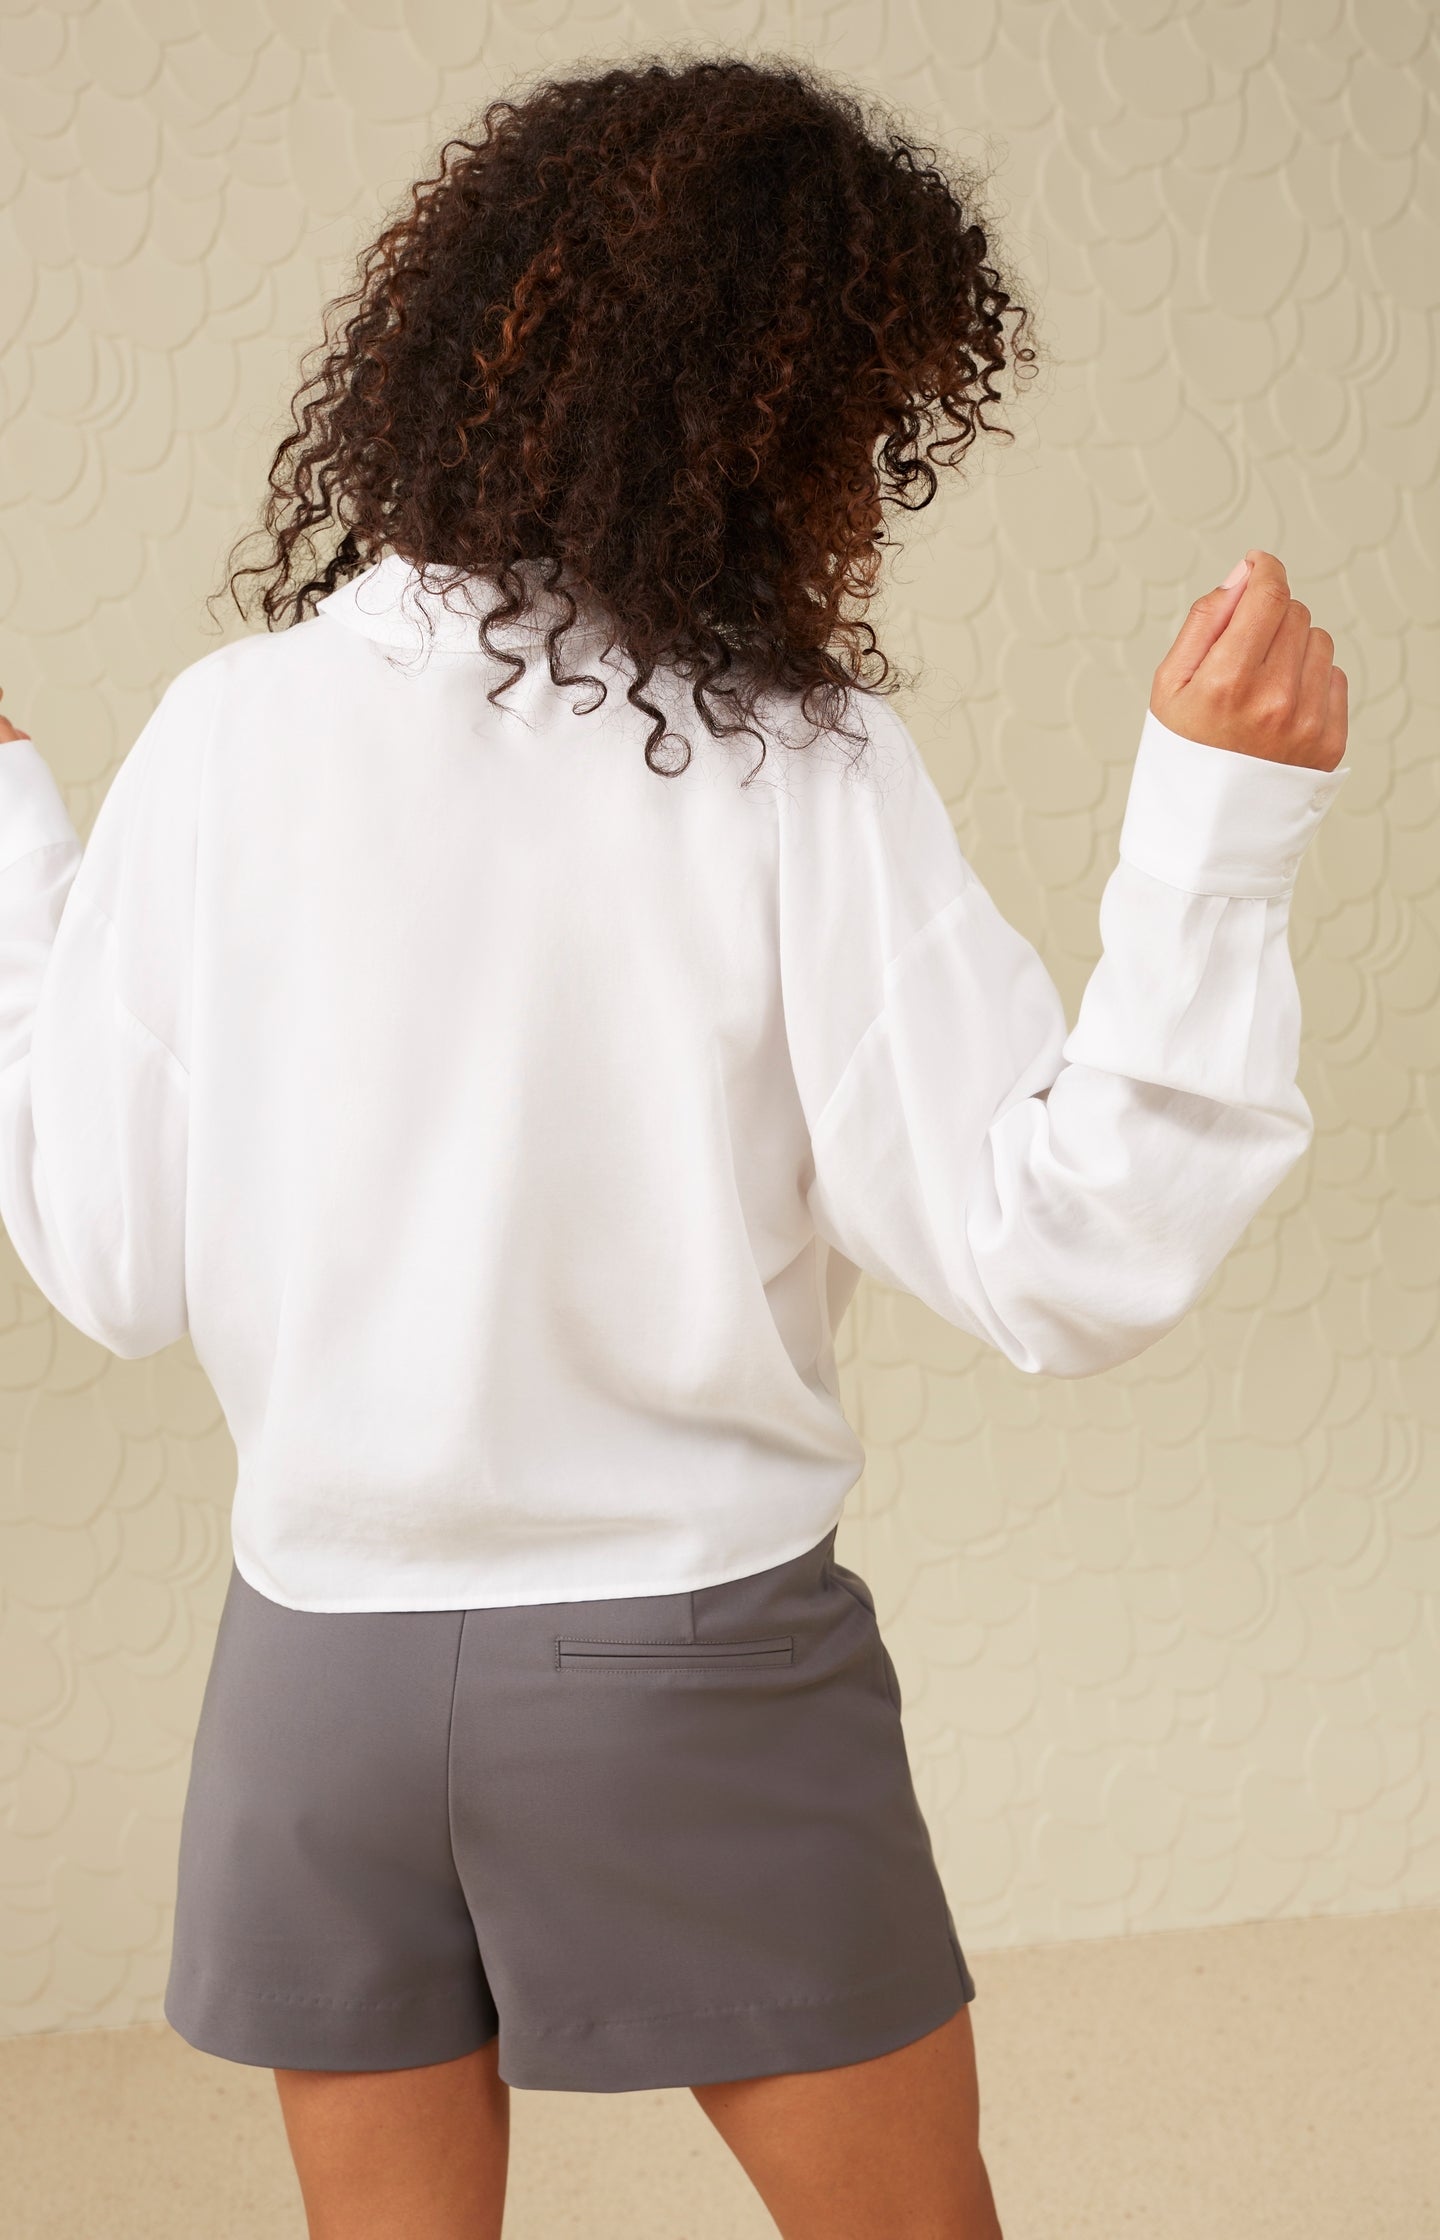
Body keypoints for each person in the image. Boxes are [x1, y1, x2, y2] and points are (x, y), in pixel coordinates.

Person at [0, 53, 1349, 2240]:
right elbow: (1055, 1251)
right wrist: (1220, 822)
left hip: (309, 1684)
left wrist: (11, 859)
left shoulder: (229, 733)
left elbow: (108, 1257)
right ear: (766, 421)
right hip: (687, 1672)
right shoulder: (785, 763)